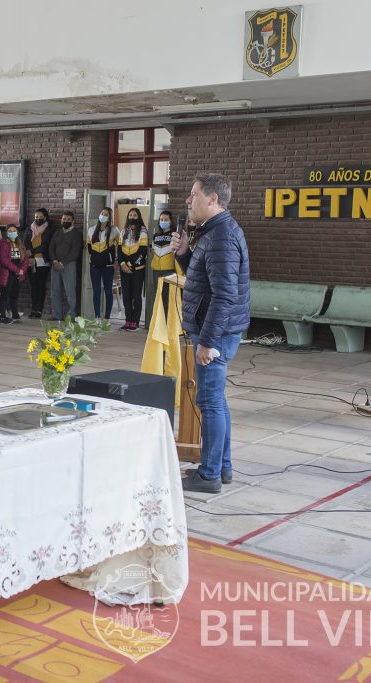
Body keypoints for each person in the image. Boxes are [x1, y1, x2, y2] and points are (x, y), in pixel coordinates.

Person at [173, 172, 250, 494]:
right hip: (216, 329)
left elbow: (224, 295)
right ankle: (222, 467)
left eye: (194, 194)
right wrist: (184, 254)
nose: (188, 200)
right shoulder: (214, 231)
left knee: (210, 402)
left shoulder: (221, 237)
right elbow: (202, 278)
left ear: (213, 198)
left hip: (216, 333)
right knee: (215, 400)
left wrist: (207, 341)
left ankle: (209, 475)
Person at [86, 206, 119, 322]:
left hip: (108, 266)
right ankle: (97, 317)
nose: (103, 216)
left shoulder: (114, 230)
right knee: (96, 292)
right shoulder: (91, 229)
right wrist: (94, 258)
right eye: (102, 213)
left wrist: (116, 261)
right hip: (95, 265)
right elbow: (89, 247)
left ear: (109, 217)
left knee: (108, 291)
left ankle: (107, 318)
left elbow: (119, 247)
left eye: (106, 214)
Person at [119, 207, 149, 331]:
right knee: (126, 295)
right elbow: (119, 250)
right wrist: (122, 264)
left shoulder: (143, 232)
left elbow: (142, 251)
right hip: (124, 269)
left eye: (135, 215)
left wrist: (130, 265)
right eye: (130, 215)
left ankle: (135, 322)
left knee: (136, 296)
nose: (132, 217)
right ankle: (128, 320)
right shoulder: (123, 232)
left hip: (138, 269)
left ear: (139, 217)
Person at [49, 211, 81, 320]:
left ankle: (70, 315)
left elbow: (75, 251)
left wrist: (63, 262)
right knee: (55, 291)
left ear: (73, 221)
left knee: (70, 291)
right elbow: (51, 248)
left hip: (69, 265)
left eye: (68, 219)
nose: (65, 221)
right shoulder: (57, 232)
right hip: (55, 265)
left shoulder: (76, 234)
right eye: (64, 219)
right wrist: (54, 261)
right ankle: (57, 314)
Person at [0, 224, 28, 324]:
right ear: (6, 233)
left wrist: (22, 270)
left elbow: (25, 259)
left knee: (14, 295)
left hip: (18, 272)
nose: (12, 232)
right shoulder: (4, 243)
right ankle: (2, 316)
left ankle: (15, 315)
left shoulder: (20, 243)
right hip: (7, 272)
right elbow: (4, 260)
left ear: (17, 232)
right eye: (9, 231)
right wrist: (17, 270)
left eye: (14, 230)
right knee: (5, 295)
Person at [26, 208, 53, 318]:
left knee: (41, 286)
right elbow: (26, 242)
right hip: (31, 261)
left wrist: (32, 251)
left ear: (45, 217)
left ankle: (39, 310)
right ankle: (33, 309)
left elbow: (45, 246)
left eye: (41, 217)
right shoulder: (29, 228)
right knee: (33, 286)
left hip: (43, 261)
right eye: (36, 217)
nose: (38, 219)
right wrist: (30, 254)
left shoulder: (49, 230)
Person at [149, 210, 177, 313]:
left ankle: (167, 321)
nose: (163, 221)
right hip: (156, 270)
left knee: (167, 297)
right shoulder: (155, 235)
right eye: (161, 219)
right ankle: (158, 321)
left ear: (171, 221)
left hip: (169, 270)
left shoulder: (175, 235)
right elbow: (152, 251)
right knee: (157, 297)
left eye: (166, 219)